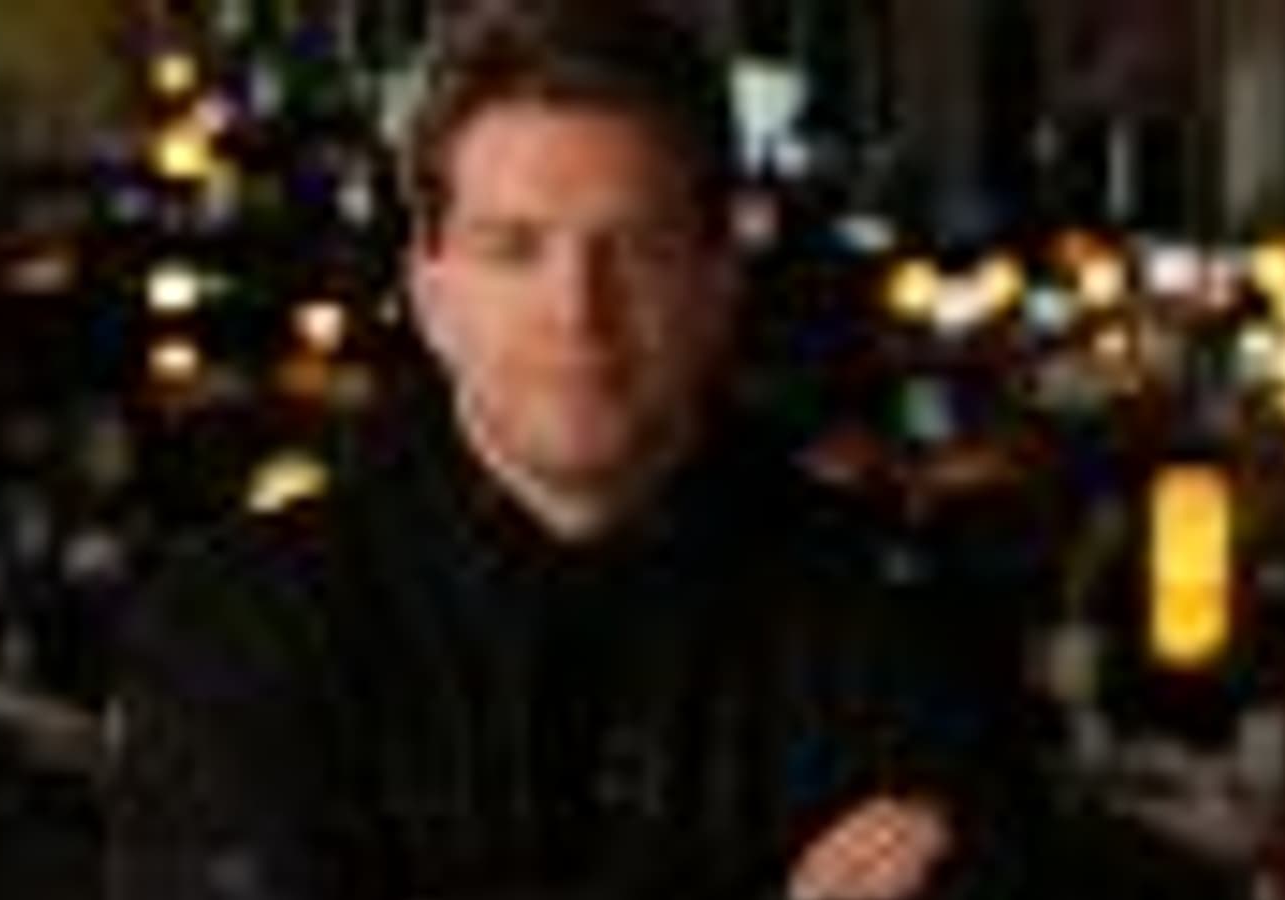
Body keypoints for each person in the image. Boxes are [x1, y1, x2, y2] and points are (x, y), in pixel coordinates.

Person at [104, 2, 1020, 898]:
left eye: (637, 248)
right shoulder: (241, 631)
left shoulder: (890, 621)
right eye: (514, 249)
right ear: (429, 294)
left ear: (718, 282)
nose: (578, 311)